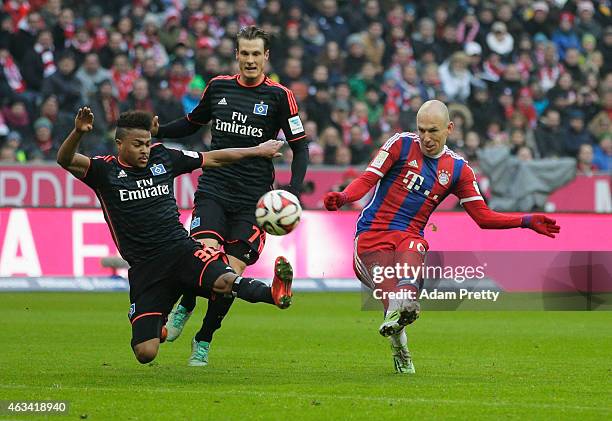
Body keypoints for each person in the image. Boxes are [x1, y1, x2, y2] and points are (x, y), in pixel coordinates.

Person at [323, 100, 560, 374]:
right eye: (421, 130)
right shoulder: (399, 144)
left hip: (408, 238)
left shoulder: (459, 169)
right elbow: (367, 179)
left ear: (449, 128)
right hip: (370, 239)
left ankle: (405, 308)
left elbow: (483, 217)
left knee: (414, 246)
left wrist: (527, 220)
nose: (425, 137)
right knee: (392, 305)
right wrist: (343, 197)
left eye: (433, 131)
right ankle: (401, 340)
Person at [57, 107, 294, 364]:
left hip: (182, 251)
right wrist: (78, 133)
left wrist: (257, 151)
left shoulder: (163, 157)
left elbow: (212, 158)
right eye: (138, 145)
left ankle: (274, 293)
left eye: (147, 143)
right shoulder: (104, 171)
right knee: (145, 353)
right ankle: (158, 323)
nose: (145, 150)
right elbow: (65, 159)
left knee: (227, 279)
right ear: (119, 143)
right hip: (146, 269)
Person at [150, 26, 308, 365]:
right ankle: (187, 304)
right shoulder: (218, 87)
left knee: (232, 271)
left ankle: (204, 338)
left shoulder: (280, 96)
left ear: (266, 56)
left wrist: (293, 191)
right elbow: (192, 124)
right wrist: (158, 131)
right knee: (205, 256)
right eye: (244, 53)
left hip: (254, 200)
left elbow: (300, 146)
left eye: (256, 54)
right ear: (237, 55)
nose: (250, 60)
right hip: (214, 189)